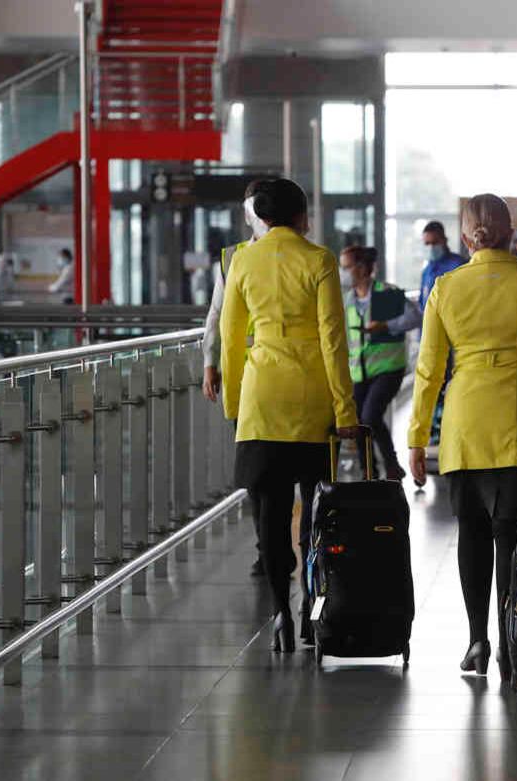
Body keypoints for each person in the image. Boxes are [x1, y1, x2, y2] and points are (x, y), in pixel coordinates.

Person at [407, 194, 517, 678]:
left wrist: (418, 437)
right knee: (514, 535)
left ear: (465, 237)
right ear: (509, 232)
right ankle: (511, 640)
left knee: (473, 534)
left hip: (466, 423)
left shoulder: (445, 287)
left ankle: (477, 640)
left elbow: (428, 370)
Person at [221, 177, 360, 655]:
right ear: (302, 216)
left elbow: (231, 338)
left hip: (261, 396)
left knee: (269, 511)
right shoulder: (318, 259)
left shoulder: (242, 259)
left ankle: (279, 608)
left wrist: (234, 405)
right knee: (315, 508)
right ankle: (309, 609)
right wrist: (345, 407)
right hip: (310, 395)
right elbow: (333, 340)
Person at [202, 182, 269, 577]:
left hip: (278, 380)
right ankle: (268, 546)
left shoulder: (306, 258)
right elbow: (215, 314)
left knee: (272, 471)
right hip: (243, 380)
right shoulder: (232, 258)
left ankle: (294, 545)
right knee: (258, 473)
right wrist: (210, 362)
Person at [340, 245, 421, 480]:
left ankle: (392, 465)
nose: (343, 272)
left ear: (362, 268)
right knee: (358, 422)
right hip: (359, 371)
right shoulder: (347, 300)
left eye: (346, 267)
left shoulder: (387, 292)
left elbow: (416, 316)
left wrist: (386, 326)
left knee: (371, 416)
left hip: (388, 368)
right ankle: (369, 471)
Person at [419, 220, 466, 448]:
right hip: (433, 342)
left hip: (455, 341)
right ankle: (435, 436)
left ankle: (451, 435)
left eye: (434, 242)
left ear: (444, 240)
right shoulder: (427, 270)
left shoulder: (459, 265)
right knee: (434, 388)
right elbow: (422, 305)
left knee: (451, 388)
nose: (430, 247)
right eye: (426, 243)